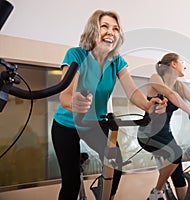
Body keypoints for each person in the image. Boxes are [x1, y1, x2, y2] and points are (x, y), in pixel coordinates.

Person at [51, 10, 167, 200]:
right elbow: (65, 94)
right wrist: (75, 102)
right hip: (66, 125)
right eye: (104, 26)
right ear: (93, 30)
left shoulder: (117, 61)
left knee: (116, 167)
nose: (110, 32)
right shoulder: (76, 54)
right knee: (70, 183)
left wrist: (148, 106)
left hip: (95, 124)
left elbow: (132, 91)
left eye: (115, 29)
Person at [137, 53, 190, 200]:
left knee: (178, 176)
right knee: (176, 153)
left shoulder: (179, 85)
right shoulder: (156, 78)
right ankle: (156, 192)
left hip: (166, 134)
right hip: (149, 134)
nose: (185, 65)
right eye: (182, 62)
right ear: (173, 64)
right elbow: (169, 94)